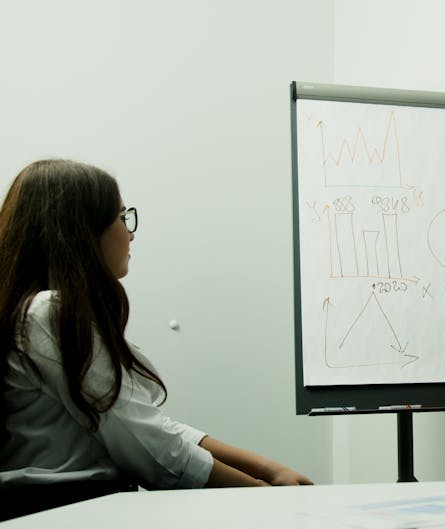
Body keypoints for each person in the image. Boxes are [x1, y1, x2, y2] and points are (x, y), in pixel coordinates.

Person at [0, 160, 313, 517]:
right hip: (63, 510)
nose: (131, 234)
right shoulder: (50, 313)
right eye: (122, 218)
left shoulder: (39, 312)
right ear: (81, 231)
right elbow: (150, 446)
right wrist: (264, 497)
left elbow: (147, 423)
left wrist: (269, 469)